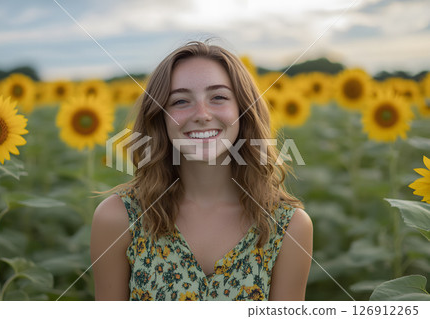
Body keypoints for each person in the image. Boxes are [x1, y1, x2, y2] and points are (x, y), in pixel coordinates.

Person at [90, 41, 313, 301]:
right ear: (159, 117)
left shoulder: (288, 227)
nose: (202, 114)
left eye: (218, 97)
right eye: (181, 101)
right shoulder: (120, 219)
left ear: (244, 111)